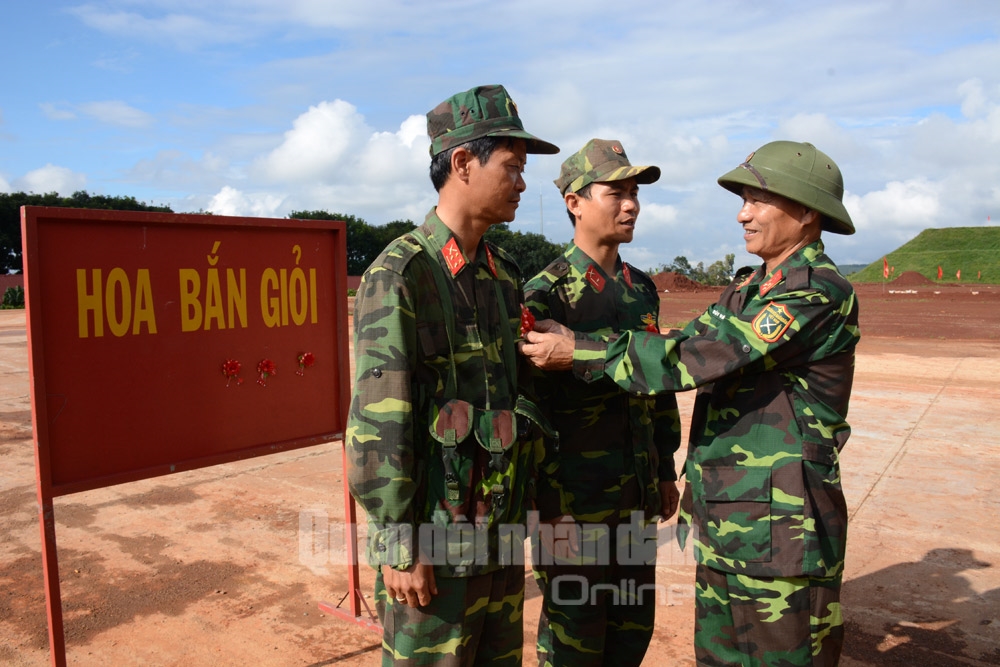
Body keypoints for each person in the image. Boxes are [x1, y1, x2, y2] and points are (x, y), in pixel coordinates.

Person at [522, 140, 859, 666]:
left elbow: (693, 357)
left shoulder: (812, 291)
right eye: (743, 201)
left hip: (782, 526)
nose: (742, 214)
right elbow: (676, 347)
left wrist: (580, 350)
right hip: (721, 518)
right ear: (574, 202)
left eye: (757, 201)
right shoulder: (749, 289)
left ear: (807, 210)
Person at [346, 84, 559, 666]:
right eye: (512, 167)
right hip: (433, 548)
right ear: (463, 163)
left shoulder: (502, 274)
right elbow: (379, 424)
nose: (522, 183)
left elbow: (517, 400)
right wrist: (399, 543)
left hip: (498, 540)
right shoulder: (402, 274)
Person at [523, 138, 681, 666]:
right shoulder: (545, 294)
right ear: (574, 202)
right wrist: (547, 510)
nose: (631, 205)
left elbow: (656, 384)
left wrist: (664, 470)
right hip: (574, 506)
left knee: (631, 632)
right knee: (575, 638)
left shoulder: (642, 289)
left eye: (635, 193)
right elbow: (532, 412)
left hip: (635, 496)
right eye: (616, 193)